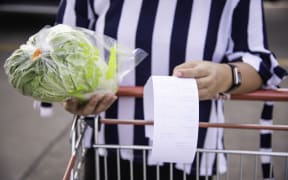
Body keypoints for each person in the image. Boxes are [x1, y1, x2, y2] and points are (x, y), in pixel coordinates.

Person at [54, 0, 287, 179]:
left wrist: (227, 75)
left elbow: (260, 62)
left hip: (191, 151)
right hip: (107, 145)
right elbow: (60, 49)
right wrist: (69, 92)